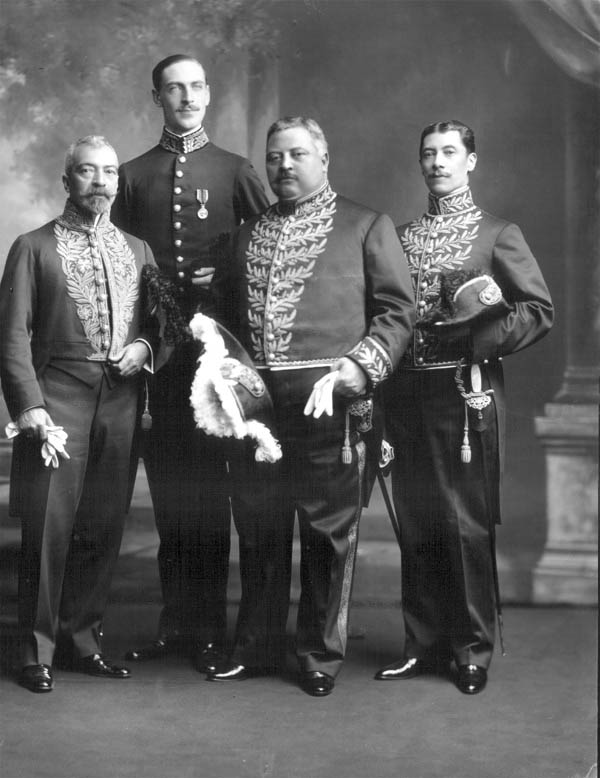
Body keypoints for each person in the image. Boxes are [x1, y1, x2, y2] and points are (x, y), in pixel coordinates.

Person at [207, 116, 415, 696]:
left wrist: (360, 365)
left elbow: (398, 312)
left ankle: (319, 653)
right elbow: (225, 320)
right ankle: (255, 644)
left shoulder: (366, 224)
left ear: (324, 158)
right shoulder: (246, 233)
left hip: (331, 402)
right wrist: (223, 368)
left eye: (297, 155)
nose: (284, 167)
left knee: (326, 534)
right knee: (259, 527)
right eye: (274, 158)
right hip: (258, 409)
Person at [375, 120, 554, 694]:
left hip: (465, 393)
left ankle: (472, 649)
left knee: (466, 524)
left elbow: (538, 310)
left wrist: (479, 331)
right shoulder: (399, 237)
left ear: (471, 161)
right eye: (428, 153)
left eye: (450, 153)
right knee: (417, 517)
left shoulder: (498, 233)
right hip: (406, 395)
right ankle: (422, 643)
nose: (438, 163)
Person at [111, 54, 269, 671]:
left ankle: (210, 629)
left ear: (209, 93)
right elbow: (115, 261)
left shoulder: (234, 170)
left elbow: (270, 253)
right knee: (172, 496)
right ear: (156, 98)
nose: (187, 97)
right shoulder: (132, 175)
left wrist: (226, 275)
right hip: (158, 362)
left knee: (211, 497)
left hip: (219, 360)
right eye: (174, 89)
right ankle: (177, 626)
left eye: (197, 86)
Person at [0, 136, 158, 693]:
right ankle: (34, 650)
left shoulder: (138, 250)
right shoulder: (33, 246)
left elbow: (158, 328)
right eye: (87, 172)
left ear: (118, 183)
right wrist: (31, 409)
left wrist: (143, 347)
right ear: (66, 180)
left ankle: (82, 640)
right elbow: (12, 339)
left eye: (109, 172)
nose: (99, 182)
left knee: (103, 524)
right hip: (59, 394)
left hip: (121, 399)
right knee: (49, 530)